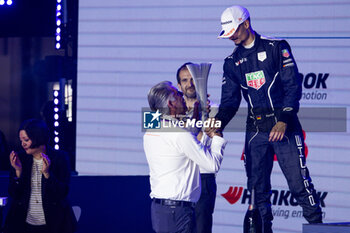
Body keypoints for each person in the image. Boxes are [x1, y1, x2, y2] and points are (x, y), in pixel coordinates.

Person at [215, 5, 323, 232]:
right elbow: (229, 103)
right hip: (255, 129)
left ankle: (318, 228)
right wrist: (217, 124)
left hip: (285, 125)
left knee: (299, 185)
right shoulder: (231, 62)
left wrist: (284, 120)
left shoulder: (277, 47)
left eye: (234, 30)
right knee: (257, 191)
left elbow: (293, 86)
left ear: (246, 23)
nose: (231, 36)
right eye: (228, 33)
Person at [144, 81, 227, 233]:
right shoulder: (179, 135)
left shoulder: (152, 129)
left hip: (161, 210)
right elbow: (212, 165)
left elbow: (187, 135)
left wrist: (197, 111)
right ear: (170, 104)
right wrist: (217, 137)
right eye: (178, 94)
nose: (182, 96)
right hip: (179, 213)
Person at [4, 119, 77, 233]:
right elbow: (14, 194)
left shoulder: (60, 158)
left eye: (26, 140)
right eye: (21, 140)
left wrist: (48, 174)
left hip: (53, 224)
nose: (23, 144)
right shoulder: (20, 158)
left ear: (38, 137)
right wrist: (18, 171)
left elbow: (62, 193)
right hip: (24, 224)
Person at [176, 63, 217, 233]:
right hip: (179, 178)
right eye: (185, 80)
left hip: (202, 178)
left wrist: (201, 114)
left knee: (201, 229)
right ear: (179, 85)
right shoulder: (172, 110)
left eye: (193, 79)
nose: (190, 84)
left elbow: (204, 143)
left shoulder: (213, 109)